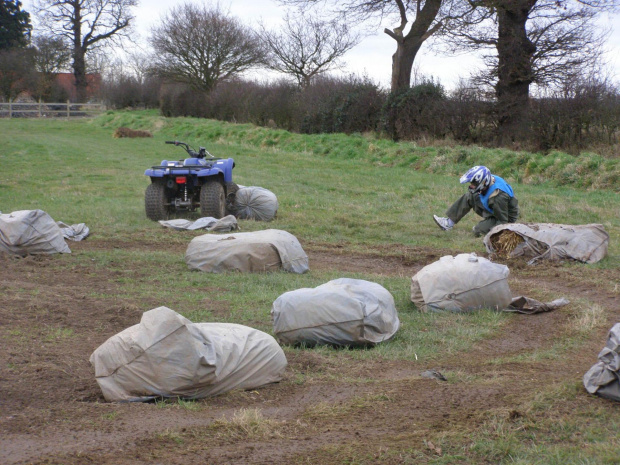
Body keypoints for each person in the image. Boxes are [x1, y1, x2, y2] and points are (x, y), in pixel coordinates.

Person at [433, 165, 519, 237]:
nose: (471, 186)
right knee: (469, 196)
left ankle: (486, 227)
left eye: (474, 184)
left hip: (505, 217)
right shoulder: (488, 180)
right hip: (493, 208)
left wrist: (494, 235)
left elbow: (503, 221)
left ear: (483, 183)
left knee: (477, 231)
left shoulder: (498, 196)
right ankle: (448, 223)